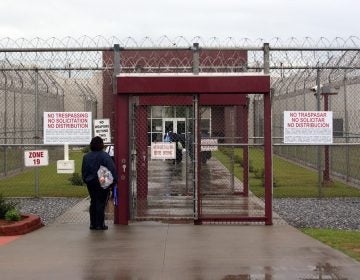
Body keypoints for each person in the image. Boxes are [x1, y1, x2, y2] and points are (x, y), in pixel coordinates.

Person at [82, 136, 118, 230]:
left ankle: (92, 224)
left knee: (93, 202)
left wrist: (86, 179)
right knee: (101, 203)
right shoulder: (105, 156)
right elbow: (112, 168)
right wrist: (114, 181)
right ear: (101, 145)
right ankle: (100, 224)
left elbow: (84, 170)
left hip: (91, 182)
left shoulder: (86, 157)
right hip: (103, 181)